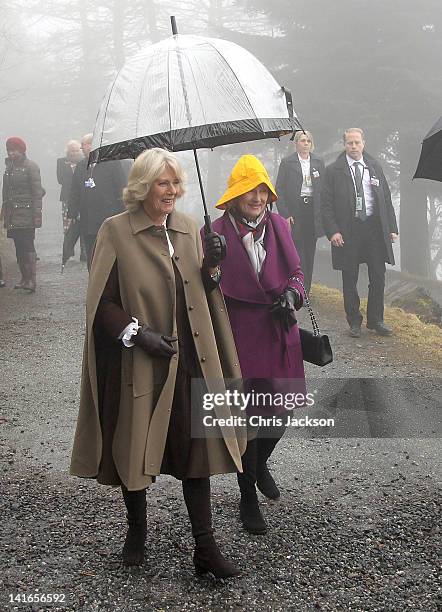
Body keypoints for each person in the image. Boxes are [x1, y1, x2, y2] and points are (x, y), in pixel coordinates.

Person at [70, 148, 246, 578]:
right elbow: (101, 304)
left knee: (197, 448)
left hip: (190, 357)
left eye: (176, 183)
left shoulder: (188, 228)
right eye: (163, 183)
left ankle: (205, 547)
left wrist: (215, 266)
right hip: (141, 358)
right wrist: (136, 332)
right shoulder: (116, 232)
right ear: (143, 187)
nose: (172, 191)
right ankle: (136, 530)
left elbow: (202, 289)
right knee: (134, 444)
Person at [210, 155, 306, 535]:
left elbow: (297, 274)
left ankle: (260, 462)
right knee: (248, 418)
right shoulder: (214, 232)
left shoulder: (280, 226)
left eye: (263, 189)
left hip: (278, 328)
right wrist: (210, 265)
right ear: (234, 195)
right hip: (239, 333)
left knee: (282, 411)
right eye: (250, 189)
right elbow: (205, 285)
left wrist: (292, 297)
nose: (258, 196)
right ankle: (246, 496)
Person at [321, 128, 398, 337]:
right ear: (344, 145)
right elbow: (325, 205)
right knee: (350, 277)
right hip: (348, 231)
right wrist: (333, 231)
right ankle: (354, 321)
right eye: (349, 143)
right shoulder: (333, 171)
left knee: (378, 276)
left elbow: (386, 199)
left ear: (364, 143)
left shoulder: (374, 167)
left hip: (373, 230)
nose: (353, 146)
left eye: (357, 142)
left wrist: (391, 227)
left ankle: (376, 320)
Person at [66, 133, 128, 269]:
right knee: (92, 256)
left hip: (109, 218)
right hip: (88, 220)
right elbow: (75, 191)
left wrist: (124, 213)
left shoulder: (111, 162)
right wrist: (71, 214)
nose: (82, 149)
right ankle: (94, 285)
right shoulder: (81, 165)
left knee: (109, 254)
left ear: (93, 145)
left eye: (84, 145)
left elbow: (121, 188)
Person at [276, 130, 325, 293]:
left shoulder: (318, 162)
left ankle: (306, 291)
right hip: (295, 212)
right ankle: (294, 287)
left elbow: (324, 190)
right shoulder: (287, 162)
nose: (305, 144)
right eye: (302, 140)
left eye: (308, 141)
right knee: (296, 251)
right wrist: (285, 214)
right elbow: (279, 191)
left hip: (312, 212)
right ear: (296, 143)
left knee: (310, 252)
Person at [1, 137, 44, 292]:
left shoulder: (31, 167)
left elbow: (37, 192)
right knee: (18, 246)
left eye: (14, 150)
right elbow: (5, 192)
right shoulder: (9, 168)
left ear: (22, 150)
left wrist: (37, 214)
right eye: (9, 150)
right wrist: (4, 211)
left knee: (27, 245)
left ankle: (32, 280)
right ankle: (24, 278)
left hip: (27, 213)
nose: (12, 153)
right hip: (12, 214)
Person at [57, 139, 86, 262]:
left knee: (84, 222)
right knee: (68, 222)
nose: (73, 153)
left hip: (82, 197)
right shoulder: (61, 162)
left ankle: (84, 251)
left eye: (76, 150)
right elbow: (60, 179)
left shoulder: (85, 162)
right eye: (71, 151)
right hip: (67, 197)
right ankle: (68, 249)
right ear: (67, 152)